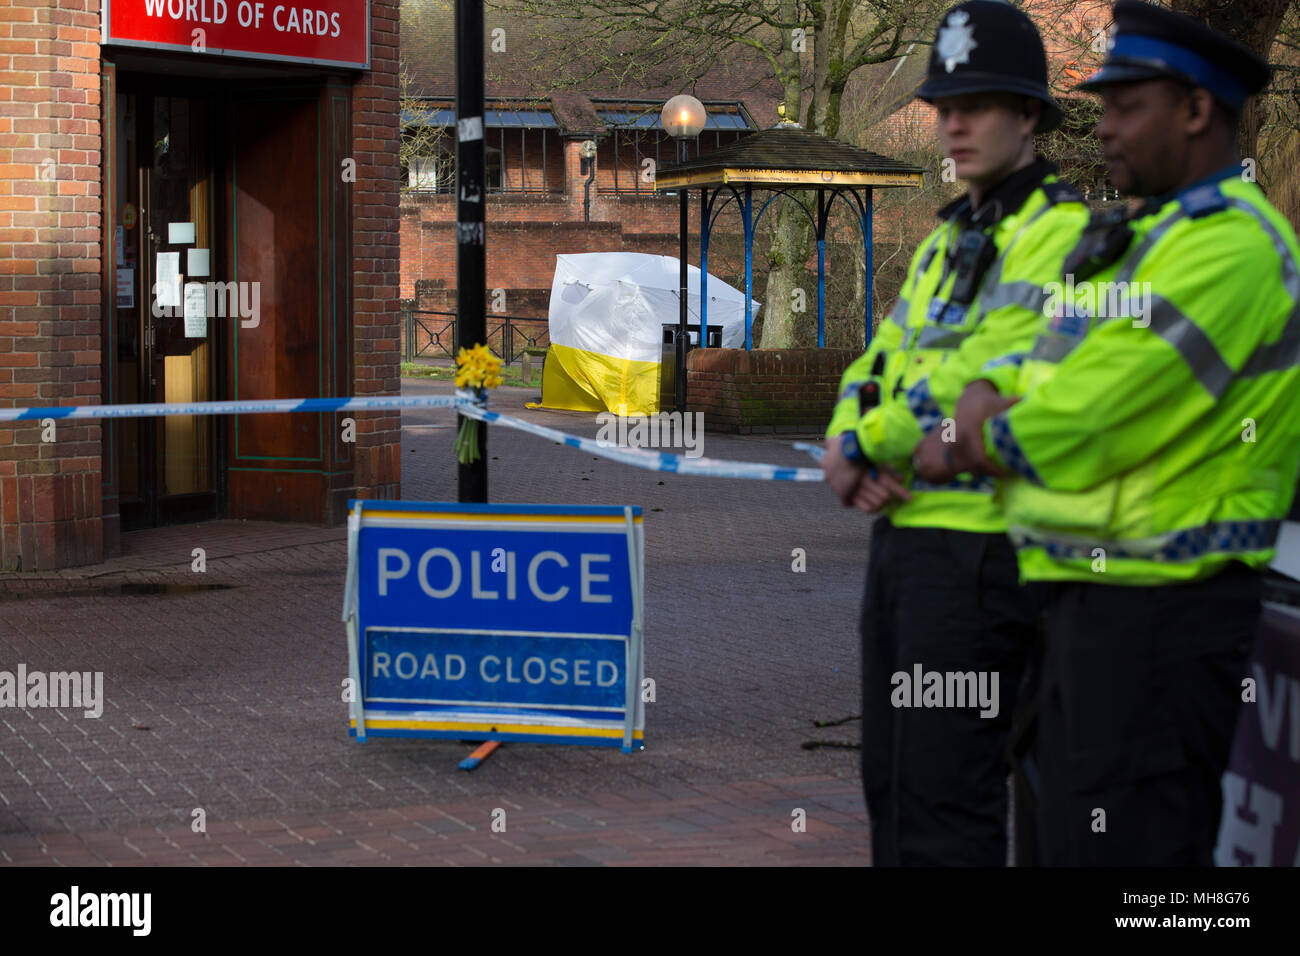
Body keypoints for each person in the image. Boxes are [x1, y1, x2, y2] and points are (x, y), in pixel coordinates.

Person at [915, 0, 1299, 866]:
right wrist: (983, 387)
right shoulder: (1137, 241)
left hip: (1168, 614)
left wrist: (973, 440)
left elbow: (1092, 411)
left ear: (1197, 111)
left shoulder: (1232, 248)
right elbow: (1035, 357)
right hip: (1082, 604)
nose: (1106, 128)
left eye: (1127, 108)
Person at [821, 0, 1090, 865]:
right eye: (944, 107)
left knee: (949, 804)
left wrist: (868, 442)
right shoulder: (949, 238)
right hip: (905, 545)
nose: (954, 124)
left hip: (983, 557)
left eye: (978, 105)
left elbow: (986, 369)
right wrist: (843, 436)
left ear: (1029, 116)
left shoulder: (1064, 235)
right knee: (892, 791)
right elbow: (879, 358)